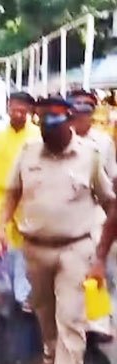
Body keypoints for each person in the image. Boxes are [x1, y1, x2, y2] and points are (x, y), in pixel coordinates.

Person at [0, 97, 114, 364]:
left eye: (56, 131)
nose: (50, 138)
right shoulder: (29, 152)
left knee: (71, 320)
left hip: (75, 250)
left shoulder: (89, 158)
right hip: (35, 248)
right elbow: (11, 192)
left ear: (68, 123)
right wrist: (2, 226)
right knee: (45, 313)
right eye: (45, 131)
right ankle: (50, 358)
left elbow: (111, 205)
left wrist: (100, 257)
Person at [0, 92, 39, 315]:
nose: (19, 113)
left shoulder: (37, 137)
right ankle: (3, 289)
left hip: (28, 199)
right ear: (7, 108)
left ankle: (24, 293)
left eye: (23, 109)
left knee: (25, 248)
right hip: (0, 199)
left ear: (30, 112)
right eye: (14, 108)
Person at [69, 90, 117, 342]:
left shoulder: (103, 142)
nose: (81, 115)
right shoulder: (63, 138)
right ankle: (72, 318)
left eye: (87, 110)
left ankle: (97, 321)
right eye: (77, 110)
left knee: (96, 262)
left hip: (97, 210)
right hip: (68, 211)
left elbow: (113, 176)